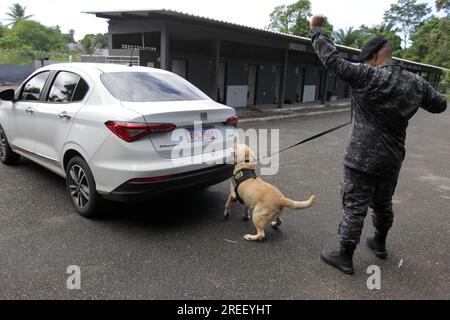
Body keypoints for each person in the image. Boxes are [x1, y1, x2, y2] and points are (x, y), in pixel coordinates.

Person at [309, 15, 447, 274]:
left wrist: (316, 30)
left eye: (365, 61)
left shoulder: (367, 76)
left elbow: (332, 60)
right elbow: (440, 105)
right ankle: (380, 244)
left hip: (360, 158)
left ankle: (345, 256)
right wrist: (409, 102)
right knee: (383, 204)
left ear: (373, 58)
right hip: (391, 159)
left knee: (354, 205)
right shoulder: (416, 82)